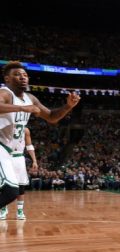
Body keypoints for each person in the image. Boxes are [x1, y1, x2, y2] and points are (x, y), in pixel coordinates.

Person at [0, 61, 80, 212]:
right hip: (1, 147)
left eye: (25, 75)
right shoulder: (4, 93)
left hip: (9, 151)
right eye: (17, 75)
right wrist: (22, 108)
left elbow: (51, 117)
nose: (22, 77)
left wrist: (68, 106)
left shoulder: (31, 98)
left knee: (11, 192)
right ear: (7, 79)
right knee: (10, 190)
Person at [0, 127, 37, 220]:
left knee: (21, 185)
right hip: (5, 156)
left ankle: (20, 211)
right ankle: (3, 209)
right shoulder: (3, 126)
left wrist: (34, 160)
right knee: (3, 185)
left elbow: (29, 146)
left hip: (19, 158)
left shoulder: (25, 130)